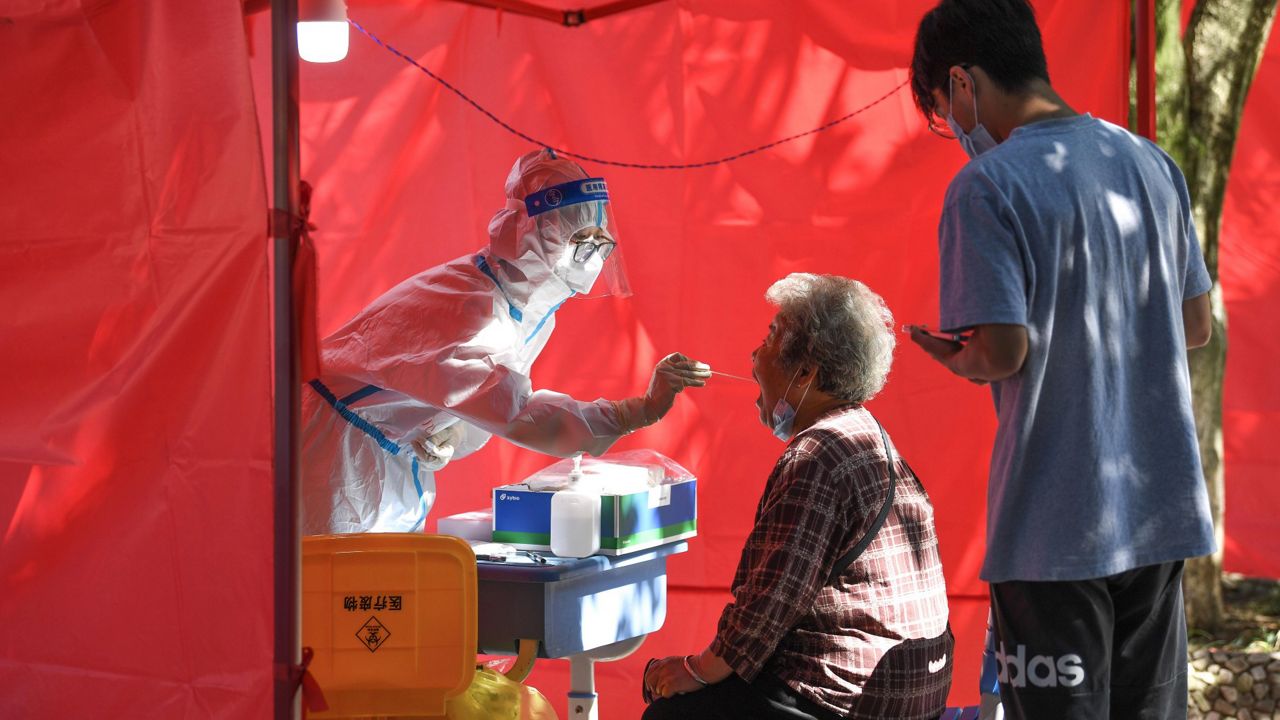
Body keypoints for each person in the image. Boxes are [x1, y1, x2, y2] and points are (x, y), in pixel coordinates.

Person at [906, 1, 1215, 718]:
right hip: (1159, 513)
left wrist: (955, 355)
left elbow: (1003, 352)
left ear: (961, 83)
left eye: (942, 110)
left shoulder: (986, 187)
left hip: (1053, 527)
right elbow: (1194, 324)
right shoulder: (1149, 162)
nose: (953, 127)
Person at [301, 148, 711, 534]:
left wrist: (451, 433)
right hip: (334, 457)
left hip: (378, 458)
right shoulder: (471, 306)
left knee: (370, 597)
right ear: (528, 232)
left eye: (600, 242)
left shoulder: (519, 307)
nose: (591, 258)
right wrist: (632, 412)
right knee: (329, 595)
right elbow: (517, 411)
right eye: (580, 241)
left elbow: (480, 397)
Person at [642, 273, 953, 720]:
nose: (753, 355)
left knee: (670, 713)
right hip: (915, 687)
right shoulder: (867, 434)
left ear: (806, 372)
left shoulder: (818, 455)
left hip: (857, 700)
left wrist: (693, 670)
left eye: (769, 338)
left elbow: (769, 604)